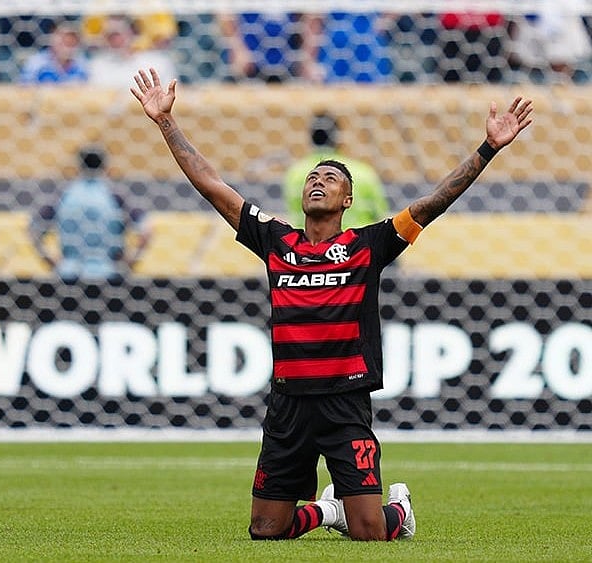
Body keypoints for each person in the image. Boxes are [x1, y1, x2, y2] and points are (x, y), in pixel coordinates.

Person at [130, 67, 532, 541]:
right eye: (313, 177)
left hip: (344, 402)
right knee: (265, 531)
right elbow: (212, 185)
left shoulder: (371, 244)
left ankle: (397, 511)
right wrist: (166, 123)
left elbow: (433, 201)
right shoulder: (276, 240)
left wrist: (487, 148)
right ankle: (327, 512)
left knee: (371, 533)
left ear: (348, 199)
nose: (318, 181)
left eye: (330, 178)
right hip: (288, 404)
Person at [32, 145, 147, 282]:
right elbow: (147, 230)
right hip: (110, 274)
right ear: (105, 166)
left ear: (79, 165)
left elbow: (33, 229)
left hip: (69, 274)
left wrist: (51, 261)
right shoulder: (115, 194)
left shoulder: (64, 193)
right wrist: (130, 262)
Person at [284, 113, 389, 230]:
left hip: (310, 245)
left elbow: (294, 212)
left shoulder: (295, 174)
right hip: (357, 245)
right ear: (338, 137)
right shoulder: (363, 172)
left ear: (310, 137)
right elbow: (379, 215)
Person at [19, 22, 89, 84]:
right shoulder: (36, 64)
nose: (67, 46)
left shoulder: (81, 65)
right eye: (64, 41)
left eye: (71, 42)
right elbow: (24, 90)